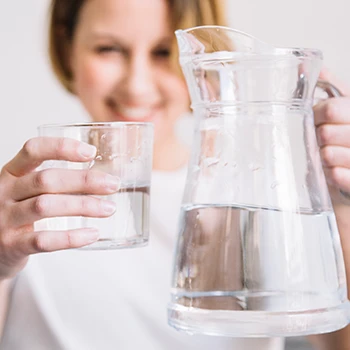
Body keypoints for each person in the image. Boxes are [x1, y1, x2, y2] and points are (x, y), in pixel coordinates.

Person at [0, 0, 349, 349]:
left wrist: (343, 205)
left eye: (163, 52)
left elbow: (337, 339)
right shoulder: (17, 208)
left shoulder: (256, 199)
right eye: (108, 49)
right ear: (67, 48)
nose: (137, 86)